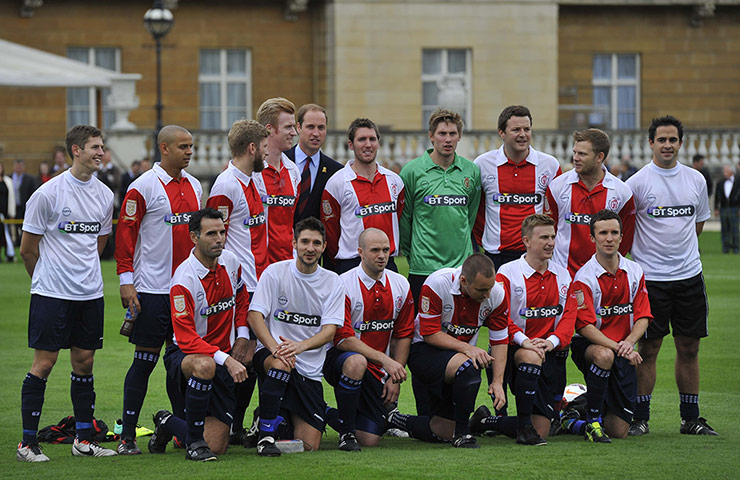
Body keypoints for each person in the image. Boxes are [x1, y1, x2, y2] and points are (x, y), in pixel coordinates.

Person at [16, 125, 115, 462]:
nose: (101, 152)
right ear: (76, 150)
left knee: (85, 363)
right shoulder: (48, 193)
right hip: (52, 294)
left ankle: (83, 440)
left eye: (102, 147)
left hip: (90, 293)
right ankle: (28, 444)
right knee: (44, 363)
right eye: (95, 147)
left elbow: (98, 244)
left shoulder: (104, 194)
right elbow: (28, 249)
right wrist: (47, 279)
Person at [626, 116, 717, 436]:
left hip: (689, 277)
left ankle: (690, 417)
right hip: (650, 281)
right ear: (650, 143)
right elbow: (625, 229)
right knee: (648, 349)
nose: (667, 145)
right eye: (661, 140)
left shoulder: (696, 180)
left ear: (681, 143)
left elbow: (698, 225)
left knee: (689, 347)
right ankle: (639, 417)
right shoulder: (636, 183)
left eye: (672, 140)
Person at [115, 125, 203, 454]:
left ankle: (179, 428)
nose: (190, 152)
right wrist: (127, 282)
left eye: (191, 146)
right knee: (144, 361)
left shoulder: (195, 186)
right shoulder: (143, 188)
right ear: (164, 148)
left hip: (186, 290)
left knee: (181, 361)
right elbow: (125, 238)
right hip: (151, 290)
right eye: (183, 146)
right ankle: (126, 437)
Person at [146, 208, 250, 461]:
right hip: (187, 354)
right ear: (194, 237)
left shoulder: (231, 261)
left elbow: (242, 296)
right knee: (204, 365)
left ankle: (167, 422)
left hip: (222, 356)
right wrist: (226, 359)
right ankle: (193, 442)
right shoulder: (184, 279)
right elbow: (185, 338)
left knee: (216, 447)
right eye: (211, 233)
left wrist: (243, 335)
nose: (219, 239)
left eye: (222, 232)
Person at [470, 214, 576, 446]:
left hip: (548, 352)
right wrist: (525, 340)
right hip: (512, 351)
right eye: (543, 237)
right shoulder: (507, 274)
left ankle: (484, 422)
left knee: (544, 429)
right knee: (529, 354)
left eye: (552, 237)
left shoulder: (563, 275)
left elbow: (570, 316)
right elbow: (499, 318)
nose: (550, 242)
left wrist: (552, 341)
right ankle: (523, 427)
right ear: (526, 241)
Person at [386, 253, 509, 448]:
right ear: (463, 280)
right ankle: (463, 434)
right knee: (470, 365)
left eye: (489, 288)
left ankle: (393, 418)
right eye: (481, 290)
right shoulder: (437, 283)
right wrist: (469, 349)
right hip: (424, 351)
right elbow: (429, 333)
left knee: (442, 432)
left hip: (456, 358)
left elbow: (500, 340)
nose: (487, 295)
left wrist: (497, 382)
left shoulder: (497, 294)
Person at [247, 217, 344, 456]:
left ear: (323, 247)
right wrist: (275, 349)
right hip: (274, 355)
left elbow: (330, 331)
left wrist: (300, 347)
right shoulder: (275, 272)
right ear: (294, 243)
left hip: (309, 366)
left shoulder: (333, 281)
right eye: (305, 242)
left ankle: (268, 416)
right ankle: (265, 437)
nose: (310, 248)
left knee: (309, 445)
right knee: (281, 365)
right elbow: (254, 315)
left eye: (316, 243)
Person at [560, 210, 651, 443]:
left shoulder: (635, 271)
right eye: (603, 233)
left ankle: (571, 418)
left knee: (619, 431)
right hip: (591, 346)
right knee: (603, 355)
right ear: (593, 238)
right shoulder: (584, 277)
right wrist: (619, 347)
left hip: (623, 348)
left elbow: (643, 316)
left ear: (621, 237)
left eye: (614, 233)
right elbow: (585, 327)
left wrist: (629, 343)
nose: (609, 238)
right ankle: (592, 422)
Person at [205, 119, 269, 444]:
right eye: (265, 146)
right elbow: (217, 240)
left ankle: (236, 424)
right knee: (240, 354)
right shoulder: (226, 185)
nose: (269, 153)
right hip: (241, 286)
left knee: (252, 359)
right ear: (252, 148)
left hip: (259, 283)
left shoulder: (254, 180)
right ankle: (221, 422)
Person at [323, 228, 415, 451]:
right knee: (356, 362)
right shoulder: (342, 283)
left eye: (386, 250)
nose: (382, 255)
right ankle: (346, 434)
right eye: (375, 250)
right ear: (360, 252)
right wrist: (386, 361)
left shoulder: (401, 284)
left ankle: (318, 409)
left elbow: (404, 333)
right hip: (341, 361)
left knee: (370, 438)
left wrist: (395, 376)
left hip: (378, 369)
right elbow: (342, 338)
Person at [400, 108, 481, 307]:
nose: (447, 139)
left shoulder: (471, 171)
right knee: (422, 333)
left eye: (452, 134)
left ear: (460, 136)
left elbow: (469, 216)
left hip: (460, 269)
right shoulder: (411, 171)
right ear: (431, 136)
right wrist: (415, 255)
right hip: (424, 268)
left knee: (460, 330)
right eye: (442, 134)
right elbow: (405, 219)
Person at [474, 105, 562, 271]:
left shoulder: (549, 165)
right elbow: (475, 210)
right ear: (501, 133)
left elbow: (557, 210)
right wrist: (486, 239)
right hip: (496, 254)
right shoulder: (483, 164)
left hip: (534, 253)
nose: (523, 135)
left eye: (527, 129)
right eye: (516, 130)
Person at [545, 128, 635, 277]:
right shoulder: (557, 186)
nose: (575, 158)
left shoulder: (622, 192)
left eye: (582, 154)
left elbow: (624, 239)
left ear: (599, 157)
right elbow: (549, 230)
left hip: (603, 277)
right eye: (575, 152)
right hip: (563, 277)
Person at [322, 118, 405, 274]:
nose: (368, 144)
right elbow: (331, 232)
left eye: (372, 139)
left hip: (387, 264)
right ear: (351, 145)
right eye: (362, 139)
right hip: (351, 264)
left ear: (378, 143)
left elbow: (398, 216)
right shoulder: (337, 183)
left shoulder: (394, 181)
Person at [253, 97, 301, 264]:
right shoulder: (251, 172)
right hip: (256, 270)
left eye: (294, 126)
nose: (294, 133)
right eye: (288, 127)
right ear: (269, 129)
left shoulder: (293, 171)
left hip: (287, 267)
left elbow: (291, 221)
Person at [283, 104, 343, 226]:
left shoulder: (336, 171)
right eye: (310, 127)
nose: (316, 133)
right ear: (298, 128)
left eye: (321, 128)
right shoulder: (281, 161)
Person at [714, 164, 740, 254]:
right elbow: (717, 196)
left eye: (726, 171)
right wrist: (716, 208)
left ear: (731, 172)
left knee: (735, 229)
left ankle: (736, 248)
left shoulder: (738, 182)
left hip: (734, 208)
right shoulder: (720, 182)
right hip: (724, 208)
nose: (724, 173)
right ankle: (725, 248)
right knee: (724, 229)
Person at [11, 159, 37, 247]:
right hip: (12, 207)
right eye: (16, 166)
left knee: (24, 225)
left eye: (20, 166)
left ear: (23, 167)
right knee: (13, 226)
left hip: (24, 207)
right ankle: (14, 242)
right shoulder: (9, 178)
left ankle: (22, 242)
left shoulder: (29, 179)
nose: (18, 168)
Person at [0, 161, 16, 262]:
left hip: (5, 213)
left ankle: (9, 254)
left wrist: (12, 212)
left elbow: (12, 198)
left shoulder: (8, 181)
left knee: (6, 235)